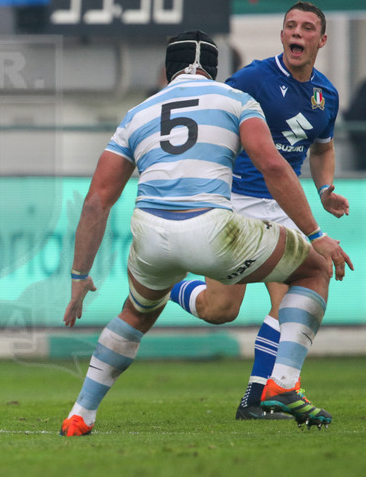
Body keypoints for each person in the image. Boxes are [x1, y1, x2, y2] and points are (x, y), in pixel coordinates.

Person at [59, 30, 352, 437]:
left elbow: (96, 202)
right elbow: (271, 165)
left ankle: (80, 414)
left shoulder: (137, 113)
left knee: (136, 313)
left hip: (151, 236)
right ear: (215, 72)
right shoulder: (236, 100)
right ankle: (283, 382)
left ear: (166, 71)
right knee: (313, 269)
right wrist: (316, 233)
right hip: (212, 229)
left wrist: (78, 277)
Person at [167, 2, 349, 420]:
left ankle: (264, 395)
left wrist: (324, 190)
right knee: (221, 309)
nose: (296, 34)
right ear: (282, 35)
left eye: (306, 28)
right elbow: (212, 116)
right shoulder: (252, 78)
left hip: (283, 205)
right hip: (237, 201)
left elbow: (323, 146)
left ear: (321, 41)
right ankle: (168, 284)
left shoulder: (327, 95)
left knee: (300, 289)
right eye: (290, 26)